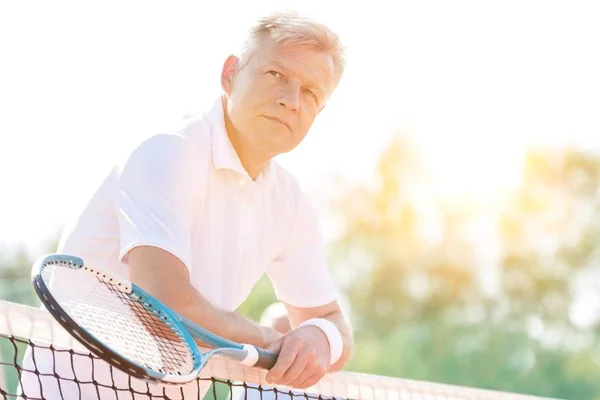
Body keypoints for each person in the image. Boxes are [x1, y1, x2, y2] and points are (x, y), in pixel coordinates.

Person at [20, 9, 353, 400]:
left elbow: (333, 323)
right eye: (276, 74)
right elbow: (165, 303)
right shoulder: (168, 152)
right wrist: (272, 340)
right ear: (230, 75)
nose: (291, 101)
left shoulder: (291, 203)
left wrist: (318, 338)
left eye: (311, 93)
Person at [231, 303, 342, 399]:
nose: (284, 343)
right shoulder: (246, 382)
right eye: (276, 334)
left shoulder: (324, 385)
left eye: (289, 334)